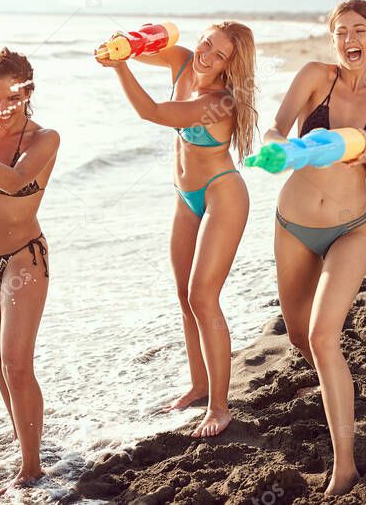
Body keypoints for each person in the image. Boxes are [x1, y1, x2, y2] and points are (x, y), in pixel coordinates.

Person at [263, 0, 366, 497]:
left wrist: (364, 148)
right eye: (340, 32)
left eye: (359, 30)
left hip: (350, 229)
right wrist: (287, 148)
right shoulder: (315, 77)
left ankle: (345, 469)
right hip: (293, 224)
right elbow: (273, 128)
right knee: (302, 337)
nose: (349, 39)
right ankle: (338, 386)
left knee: (323, 337)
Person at [96, 22, 257, 437]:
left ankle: (220, 408)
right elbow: (139, 51)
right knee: (184, 295)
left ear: (230, 65)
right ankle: (199, 385)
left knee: (203, 297)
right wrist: (124, 45)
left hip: (223, 194)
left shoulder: (219, 102)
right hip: (185, 195)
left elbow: (153, 112)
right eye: (206, 44)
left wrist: (118, 69)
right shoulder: (183, 58)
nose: (205, 55)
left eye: (218, 54)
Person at [0, 48, 58, 492]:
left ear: (27, 93)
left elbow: (12, 181)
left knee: (18, 365)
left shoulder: (45, 139)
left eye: (9, 98)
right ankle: (27, 437)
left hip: (24, 257)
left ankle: (32, 466)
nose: (0, 108)